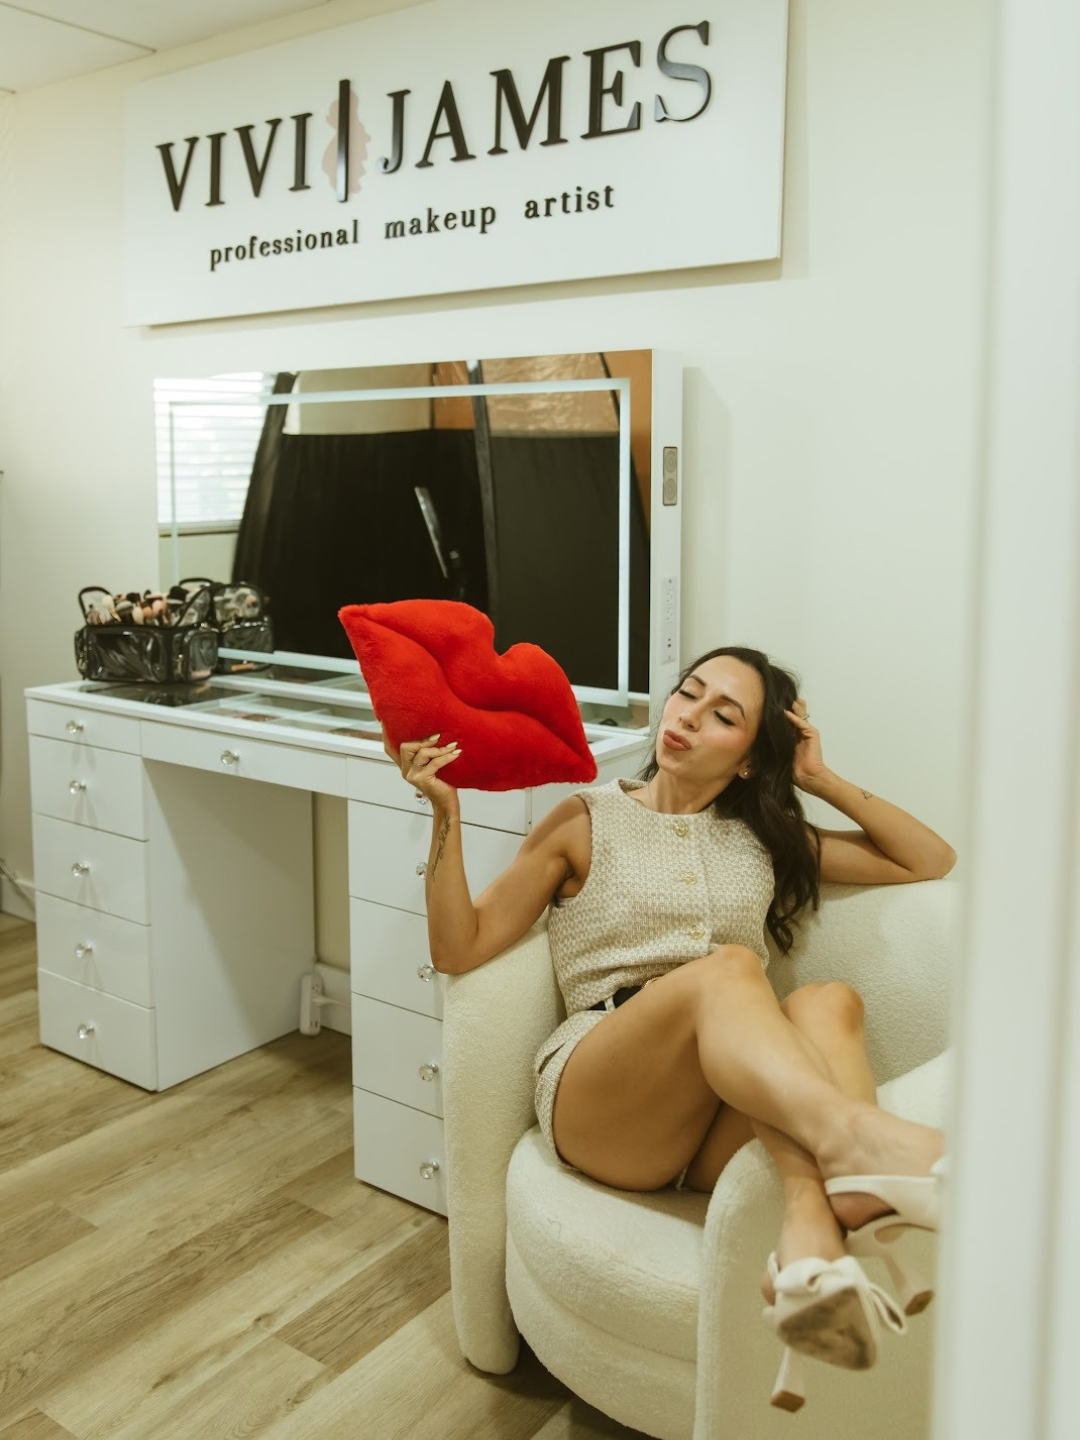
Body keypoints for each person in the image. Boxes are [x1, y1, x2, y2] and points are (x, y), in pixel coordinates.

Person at [385, 645, 953, 1411]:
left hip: (715, 1118)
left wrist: (818, 779)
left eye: (724, 715)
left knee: (830, 1002)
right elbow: (459, 948)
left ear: (750, 760)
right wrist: (444, 815)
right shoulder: (585, 819)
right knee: (731, 969)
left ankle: (812, 1239)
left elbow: (929, 859)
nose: (687, 716)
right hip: (603, 1098)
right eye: (689, 693)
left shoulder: (765, 837)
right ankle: (858, 1144)